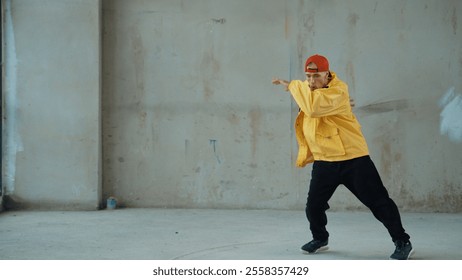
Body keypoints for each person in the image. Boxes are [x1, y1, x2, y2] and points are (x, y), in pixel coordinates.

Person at [272, 54, 413, 260]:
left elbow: (312, 108)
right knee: (313, 206)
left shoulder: (339, 90)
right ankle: (320, 238)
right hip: (324, 161)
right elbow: (313, 102)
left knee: (379, 203)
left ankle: (402, 241)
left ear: (327, 74)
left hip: (353, 159)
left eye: (317, 76)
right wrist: (295, 87)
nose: (311, 82)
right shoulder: (312, 92)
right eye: (308, 77)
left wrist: (292, 85)